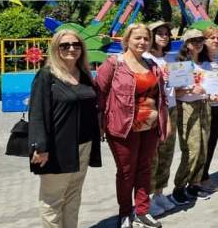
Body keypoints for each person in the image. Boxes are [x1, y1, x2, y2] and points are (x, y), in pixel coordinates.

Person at [96, 24, 169, 228]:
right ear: (126, 40)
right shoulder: (114, 63)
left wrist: (166, 122)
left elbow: (161, 97)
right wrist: (99, 122)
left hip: (150, 127)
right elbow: (100, 93)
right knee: (127, 171)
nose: (142, 42)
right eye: (137, 38)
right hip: (123, 126)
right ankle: (125, 213)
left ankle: (143, 211)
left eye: (146, 38)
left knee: (145, 169)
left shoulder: (151, 64)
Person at [29, 29, 101, 228]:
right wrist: (40, 147)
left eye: (76, 45)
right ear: (56, 48)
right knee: (52, 201)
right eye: (65, 45)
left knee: (73, 197)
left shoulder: (85, 75)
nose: (72, 49)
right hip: (57, 148)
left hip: (84, 146)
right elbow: (37, 112)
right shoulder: (46, 75)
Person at [170, 29, 212, 204]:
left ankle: (194, 184)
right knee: (192, 149)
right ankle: (179, 187)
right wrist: (189, 89)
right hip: (187, 106)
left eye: (200, 41)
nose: (198, 44)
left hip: (204, 105)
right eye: (194, 41)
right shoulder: (180, 64)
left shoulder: (206, 64)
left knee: (203, 148)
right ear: (186, 44)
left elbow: (212, 86)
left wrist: (215, 94)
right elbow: (175, 92)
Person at [143, 21, 179, 217]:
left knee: (167, 152)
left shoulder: (171, 59)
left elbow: (178, 85)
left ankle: (159, 192)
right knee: (153, 155)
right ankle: (145, 198)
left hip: (172, 107)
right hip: (155, 110)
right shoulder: (145, 59)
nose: (164, 36)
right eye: (159, 33)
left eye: (166, 33)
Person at [200, 27, 218, 191]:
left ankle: (204, 177)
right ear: (204, 40)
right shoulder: (198, 58)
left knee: (211, 142)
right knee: (200, 144)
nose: (216, 41)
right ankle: (196, 179)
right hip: (203, 106)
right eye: (211, 38)